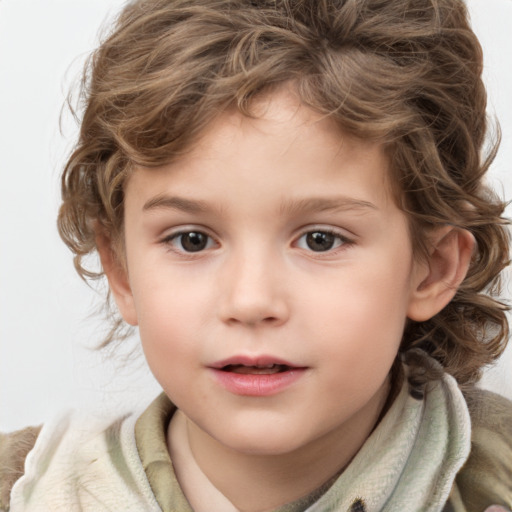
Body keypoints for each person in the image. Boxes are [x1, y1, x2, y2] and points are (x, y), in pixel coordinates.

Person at [1, 0, 511, 510]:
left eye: (320, 239)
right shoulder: (27, 490)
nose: (250, 301)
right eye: (192, 240)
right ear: (122, 270)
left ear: (432, 268)